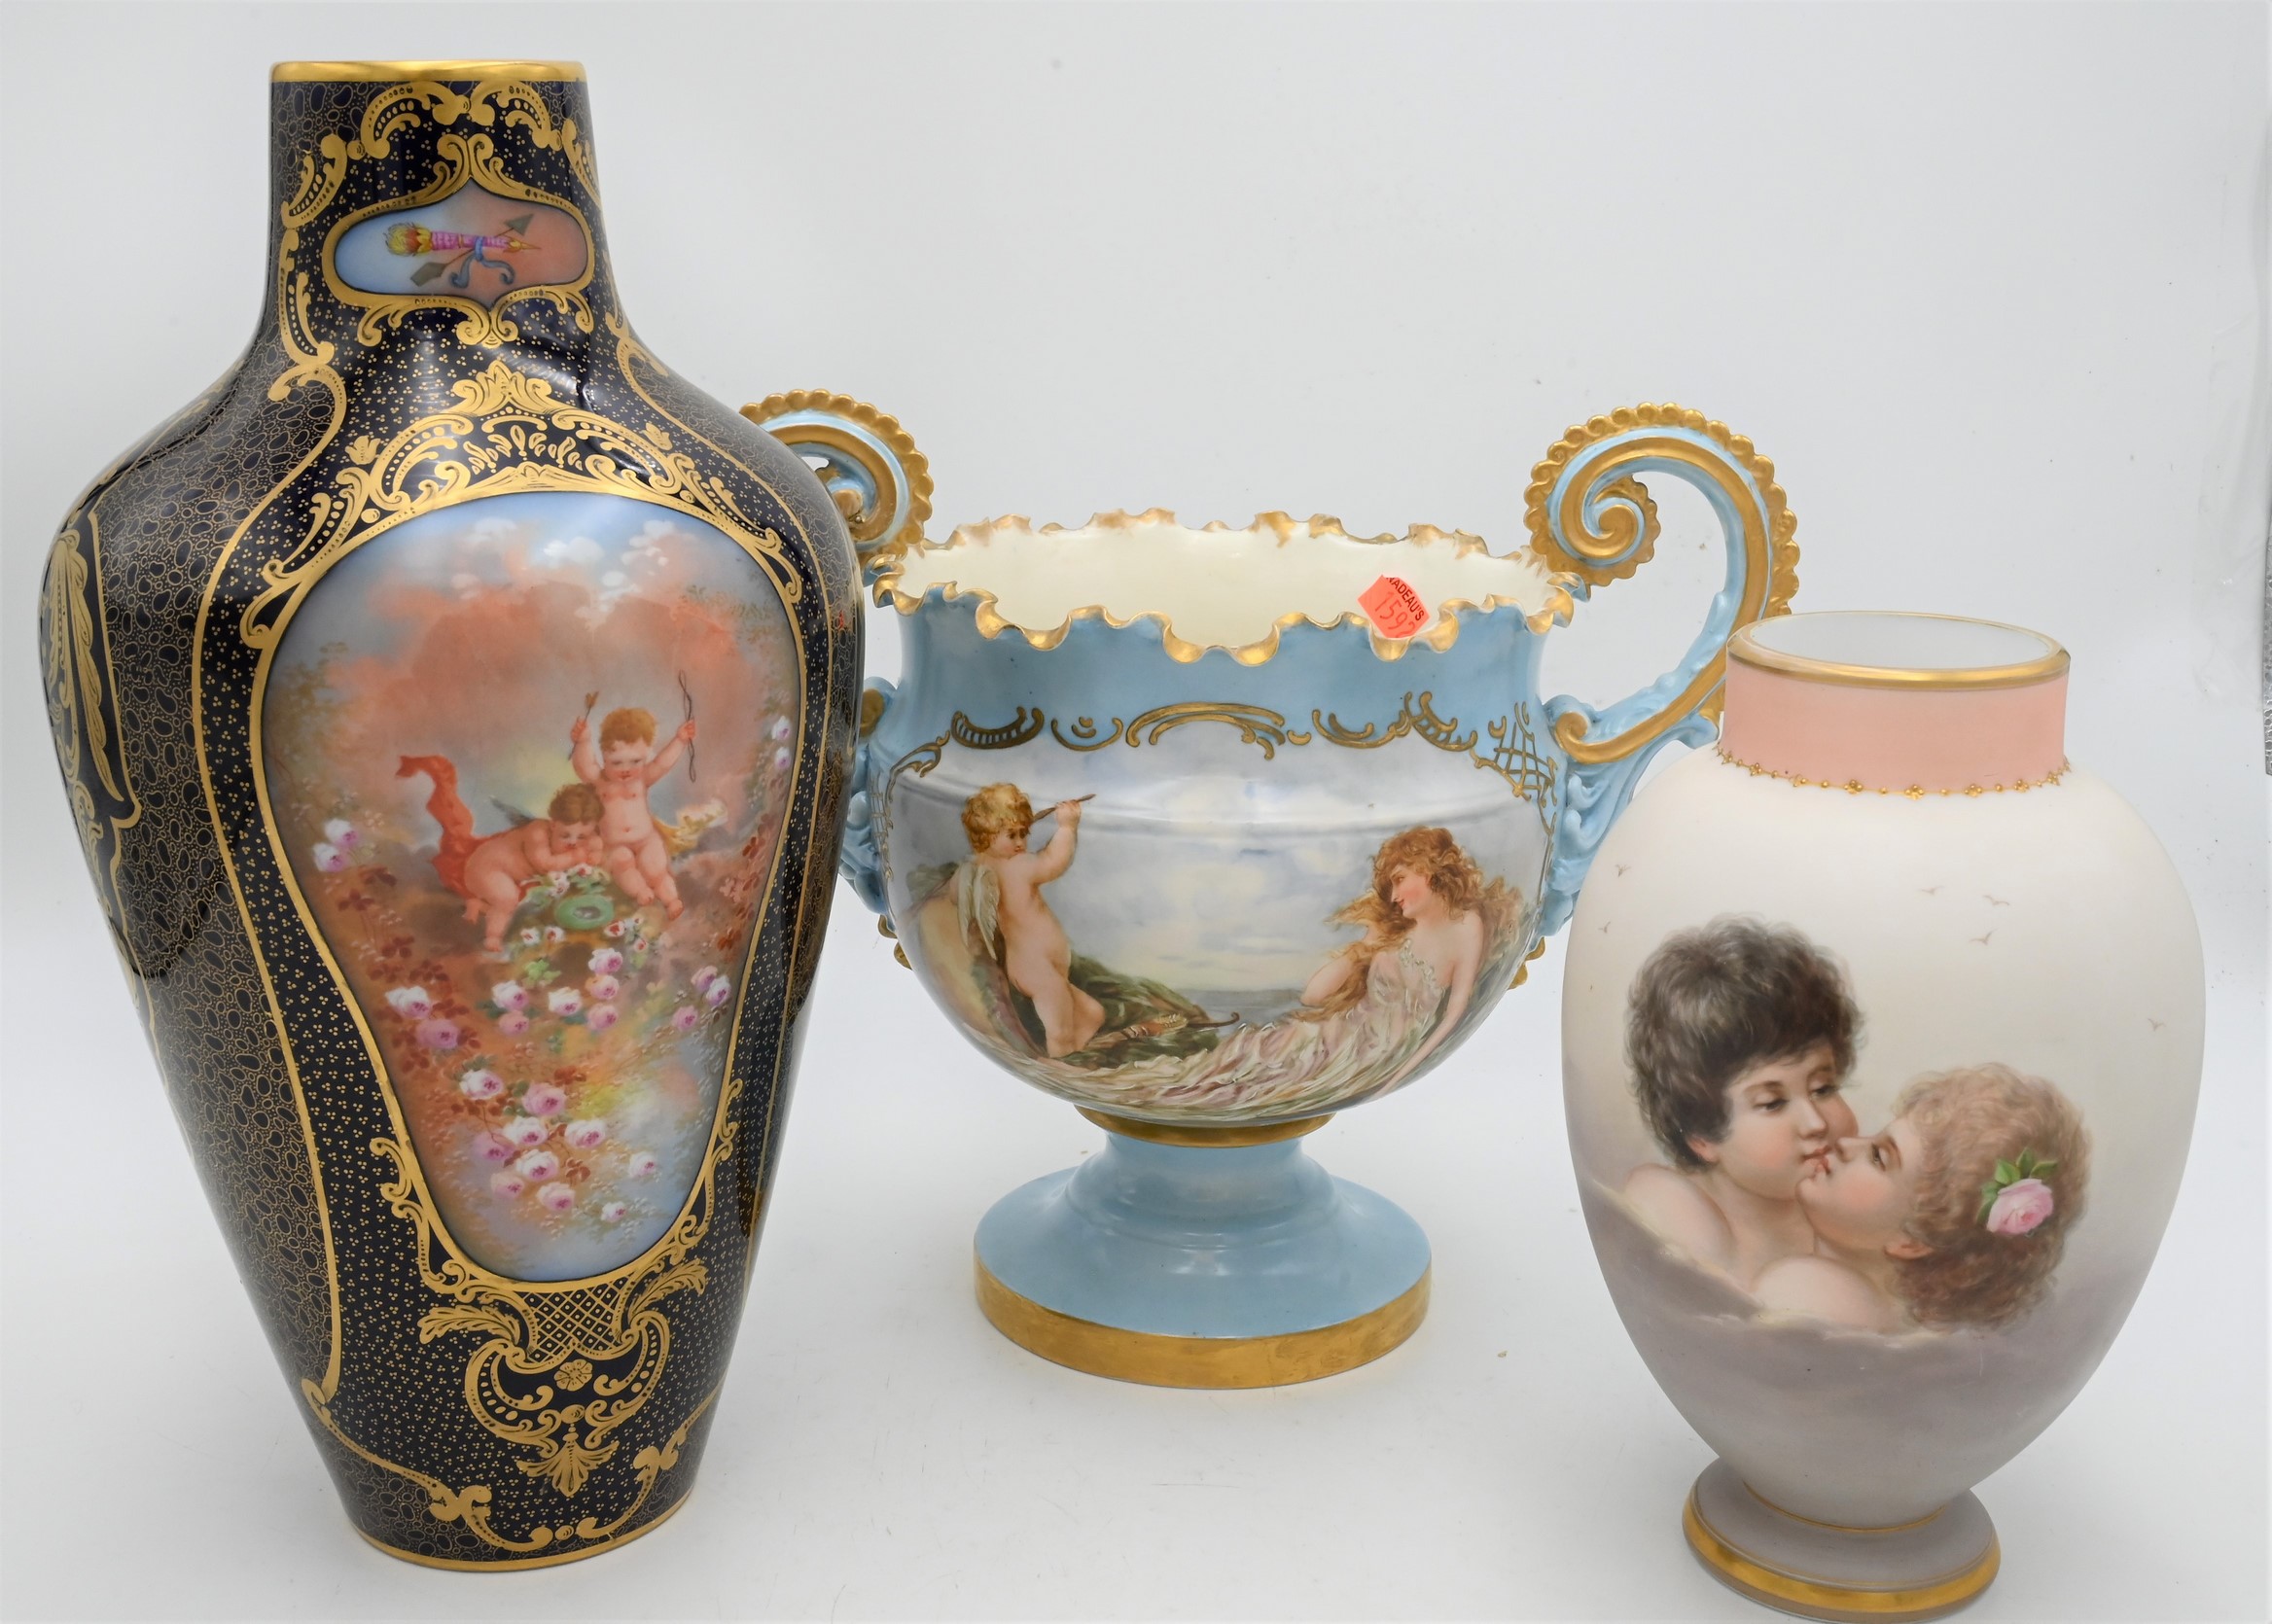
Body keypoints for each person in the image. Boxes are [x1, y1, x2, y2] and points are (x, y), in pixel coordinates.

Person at [1620, 918, 1862, 1289]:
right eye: (1772, 1103)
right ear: (1701, 1135)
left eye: (1823, 1089)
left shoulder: (1854, 1216)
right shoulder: (1671, 1208)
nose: (1816, 1123)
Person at [1757, 1063, 2089, 1332]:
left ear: (1912, 1242)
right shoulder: (1892, 1318)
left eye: (1878, 1157)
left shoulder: (1802, 1289)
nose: (1845, 1144)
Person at [397, 757, 605, 952]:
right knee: (507, 898)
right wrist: (577, 856)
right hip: (487, 869)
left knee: (519, 898)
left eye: (582, 836)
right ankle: (493, 937)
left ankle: (479, 904)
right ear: (553, 824)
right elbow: (544, 864)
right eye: (565, 835)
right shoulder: (537, 832)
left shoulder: (579, 836)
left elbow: (595, 843)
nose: (573, 842)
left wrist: (595, 851)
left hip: (507, 877)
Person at [957, 783, 1104, 1057]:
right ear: (987, 836)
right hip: (1035, 966)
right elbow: (1052, 862)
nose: (1020, 843)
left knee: (1092, 1013)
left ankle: (1072, 1057)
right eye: (1011, 835)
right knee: (1060, 1030)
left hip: (1036, 965)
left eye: (1023, 833)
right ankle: (1062, 1062)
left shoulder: (985, 865)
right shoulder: (1016, 866)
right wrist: (1067, 827)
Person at [571, 705, 695, 919]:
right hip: (614, 844)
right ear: (604, 756)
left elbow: (662, 763)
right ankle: (640, 892)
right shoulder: (600, 781)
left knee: (655, 868)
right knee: (622, 862)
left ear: (646, 754)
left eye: (635, 761)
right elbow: (584, 766)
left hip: (646, 839)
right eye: (616, 762)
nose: (625, 769)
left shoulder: (642, 778)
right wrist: (583, 742)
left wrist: (680, 740)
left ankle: (671, 900)